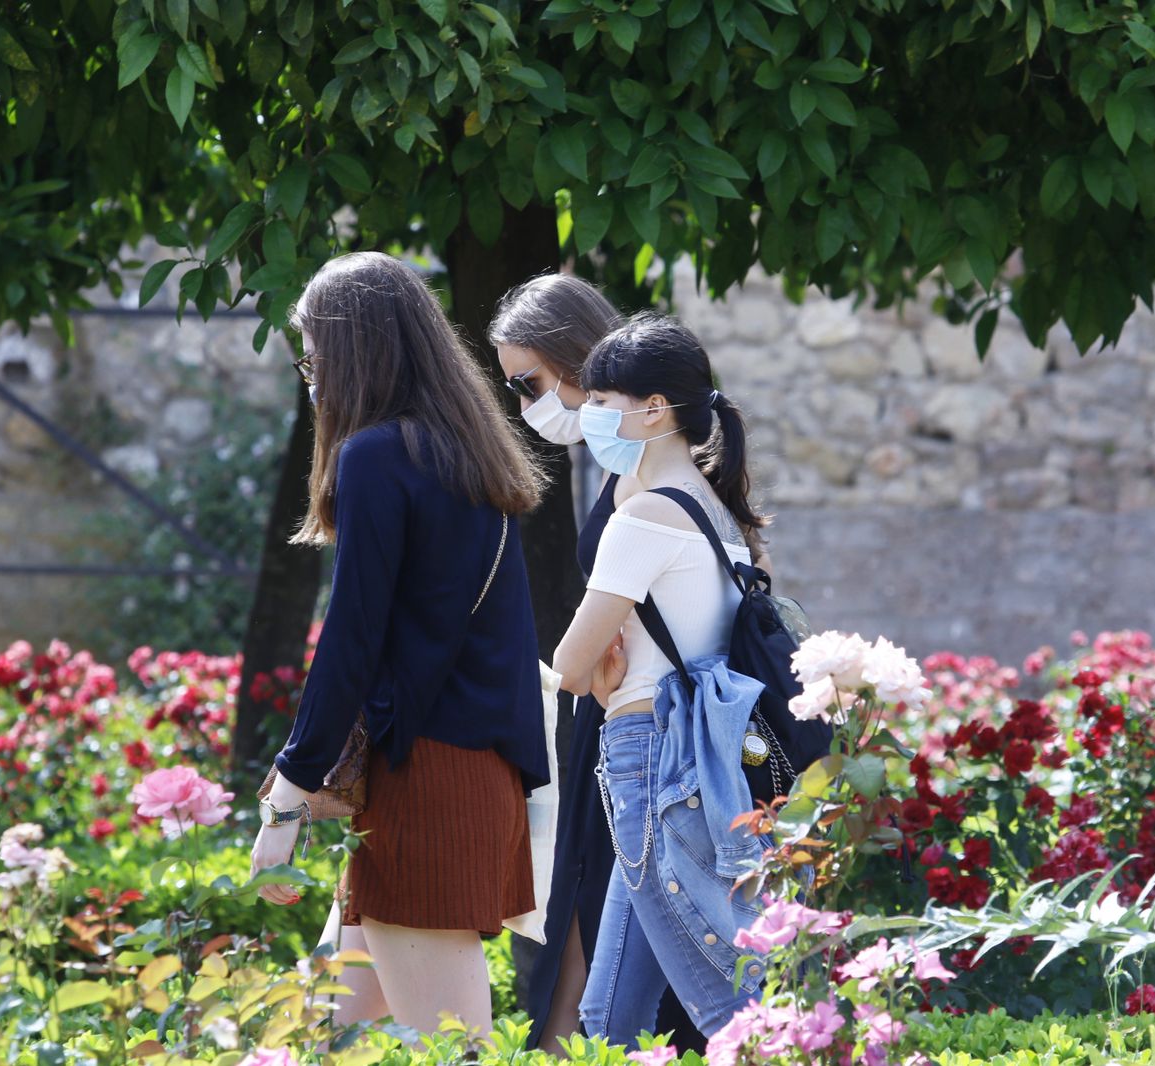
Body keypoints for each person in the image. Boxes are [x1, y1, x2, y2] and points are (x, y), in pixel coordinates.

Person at [248, 251, 551, 1035]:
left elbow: (351, 639)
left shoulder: (378, 456)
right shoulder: (466, 455)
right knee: (310, 1031)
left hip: (427, 788)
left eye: (312, 352)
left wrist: (287, 795)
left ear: (351, 350)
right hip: (469, 776)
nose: (309, 373)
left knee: (454, 1052)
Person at [488, 275, 706, 1055]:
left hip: (642, 738)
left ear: (579, 360)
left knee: (612, 974)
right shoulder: (645, 475)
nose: (525, 406)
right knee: (609, 979)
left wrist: (597, 670)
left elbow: (582, 659)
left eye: (530, 383)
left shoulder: (642, 490)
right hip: (637, 734)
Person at [552, 313, 772, 1043]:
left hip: (650, 756)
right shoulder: (722, 515)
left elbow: (572, 666)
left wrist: (601, 676)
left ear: (656, 409)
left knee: (728, 1008)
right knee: (608, 1014)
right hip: (700, 761)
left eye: (604, 402)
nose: (590, 417)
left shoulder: (645, 514)